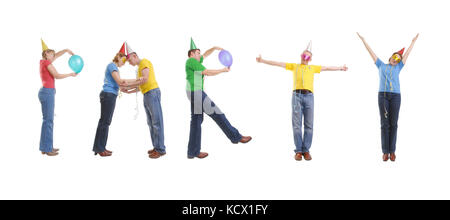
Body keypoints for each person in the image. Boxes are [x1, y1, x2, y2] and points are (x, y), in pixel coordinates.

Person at [256, 41, 348, 161]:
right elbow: (279, 63)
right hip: (297, 96)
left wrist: (341, 68)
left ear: (310, 59)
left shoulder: (312, 68)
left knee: (309, 125)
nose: (305, 58)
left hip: (309, 97)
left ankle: (306, 150)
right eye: (304, 55)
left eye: (308, 56)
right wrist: (263, 60)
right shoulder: (295, 66)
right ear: (301, 56)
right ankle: (298, 151)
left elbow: (326, 67)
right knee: (297, 126)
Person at [185, 38, 252, 159]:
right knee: (217, 114)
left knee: (196, 121)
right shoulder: (191, 61)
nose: (200, 54)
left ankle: (192, 152)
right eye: (197, 53)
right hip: (196, 93)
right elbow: (207, 72)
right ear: (191, 54)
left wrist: (214, 48)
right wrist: (223, 70)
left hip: (194, 93)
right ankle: (236, 137)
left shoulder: (196, 61)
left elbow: (205, 54)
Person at [357, 33, 419, 162]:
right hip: (383, 96)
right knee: (385, 124)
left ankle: (392, 151)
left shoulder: (399, 67)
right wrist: (364, 40)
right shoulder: (381, 65)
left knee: (394, 124)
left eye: (398, 59)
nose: (395, 60)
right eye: (394, 57)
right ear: (391, 56)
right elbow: (371, 53)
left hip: (396, 96)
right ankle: (385, 152)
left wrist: (412, 42)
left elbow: (407, 55)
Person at [120, 42, 167, 159]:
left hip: (152, 93)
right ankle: (156, 147)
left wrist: (127, 83)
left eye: (130, 60)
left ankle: (161, 149)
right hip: (146, 94)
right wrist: (128, 90)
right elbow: (140, 85)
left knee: (156, 122)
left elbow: (144, 79)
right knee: (151, 123)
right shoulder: (139, 67)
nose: (129, 63)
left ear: (134, 56)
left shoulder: (144, 62)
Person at [38, 39, 77, 156]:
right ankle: (47, 148)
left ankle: (46, 147)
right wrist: (71, 74)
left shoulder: (43, 62)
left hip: (46, 92)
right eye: (52, 54)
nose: (54, 55)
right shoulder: (47, 63)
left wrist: (65, 51)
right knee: (48, 121)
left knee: (47, 121)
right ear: (46, 54)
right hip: (47, 93)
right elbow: (57, 75)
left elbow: (57, 56)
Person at [92, 43, 130, 157]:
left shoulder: (114, 68)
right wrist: (138, 80)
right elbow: (119, 81)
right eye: (123, 60)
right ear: (118, 57)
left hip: (110, 95)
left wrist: (128, 88)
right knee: (105, 122)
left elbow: (119, 85)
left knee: (105, 122)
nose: (123, 63)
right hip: (108, 96)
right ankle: (99, 148)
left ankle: (100, 147)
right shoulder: (112, 66)